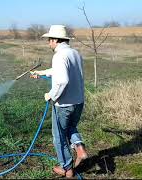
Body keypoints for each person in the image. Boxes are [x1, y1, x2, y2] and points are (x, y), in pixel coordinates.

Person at [30, 25, 88, 178]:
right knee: (71, 127)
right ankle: (80, 149)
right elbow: (58, 71)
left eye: (49, 40)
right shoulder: (74, 53)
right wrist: (40, 72)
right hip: (78, 101)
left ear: (55, 40)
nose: (48, 43)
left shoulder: (59, 56)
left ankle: (67, 169)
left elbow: (62, 80)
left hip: (64, 104)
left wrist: (51, 95)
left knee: (59, 137)